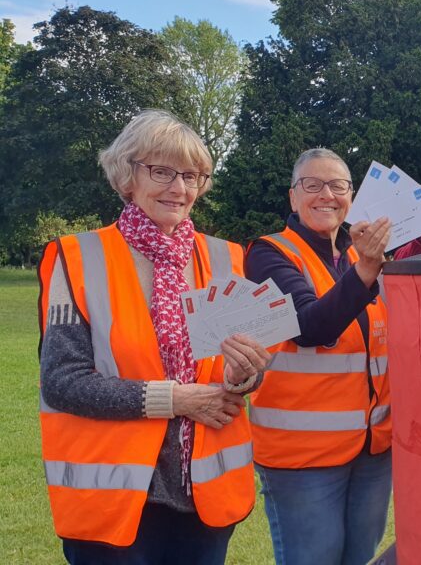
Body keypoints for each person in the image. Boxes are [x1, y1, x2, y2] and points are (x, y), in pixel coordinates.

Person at [38, 109, 271, 564]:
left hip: (204, 496)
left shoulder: (227, 258)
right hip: (115, 498)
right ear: (127, 175)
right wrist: (177, 400)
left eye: (192, 175)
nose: (180, 188)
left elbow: (232, 375)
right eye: (162, 171)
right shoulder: (77, 257)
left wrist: (246, 374)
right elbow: (62, 382)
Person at [244, 148, 393, 565]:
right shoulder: (268, 253)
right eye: (312, 184)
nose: (326, 194)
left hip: (370, 448)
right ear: (293, 197)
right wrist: (367, 270)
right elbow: (310, 326)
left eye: (338, 186)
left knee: (358, 556)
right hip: (303, 455)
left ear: (352, 196)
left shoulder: (355, 254)